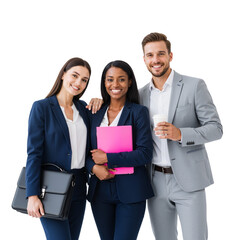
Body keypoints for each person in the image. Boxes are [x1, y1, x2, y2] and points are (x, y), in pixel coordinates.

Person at [139, 32, 223, 240]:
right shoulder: (140, 95)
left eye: (160, 54)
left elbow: (216, 128)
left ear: (170, 56)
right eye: (150, 55)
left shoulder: (194, 86)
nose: (155, 60)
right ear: (144, 59)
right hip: (155, 181)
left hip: (189, 180)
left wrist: (180, 134)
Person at [86, 60, 154, 240]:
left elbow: (145, 153)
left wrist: (107, 157)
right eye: (110, 80)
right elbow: (83, 152)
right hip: (100, 191)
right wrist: (93, 168)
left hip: (131, 191)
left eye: (121, 79)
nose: (115, 85)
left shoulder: (138, 112)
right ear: (104, 83)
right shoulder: (94, 112)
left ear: (130, 82)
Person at [26, 57, 91, 240]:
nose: (78, 83)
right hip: (51, 187)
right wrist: (32, 194)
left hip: (78, 185)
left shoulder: (84, 108)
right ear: (63, 74)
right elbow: (34, 153)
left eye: (84, 80)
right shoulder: (42, 108)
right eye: (75, 75)